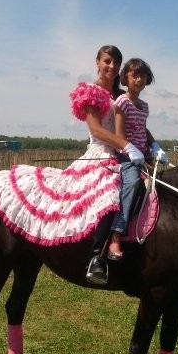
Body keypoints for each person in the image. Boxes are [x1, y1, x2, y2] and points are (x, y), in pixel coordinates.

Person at [69, 45, 146, 284]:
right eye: (107, 61)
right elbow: (97, 129)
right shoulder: (91, 91)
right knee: (109, 195)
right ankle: (96, 257)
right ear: (97, 62)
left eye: (116, 63)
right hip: (102, 153)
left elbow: (137, 124)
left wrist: (153, 145)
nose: (112, 67)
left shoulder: (122, 96)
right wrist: (126, 146)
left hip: (124, 154)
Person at [107, 58, 168, 260]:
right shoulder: (122, 102)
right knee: (132, 183)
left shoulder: (144, 106)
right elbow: (118, 135)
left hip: (143, 155)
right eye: (134, 75)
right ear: (126, 78)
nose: (139, 79)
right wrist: (132, 151)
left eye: (142, 75)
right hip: (126, 155)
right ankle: (116, 234)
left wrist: (155, 146)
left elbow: (142, 129)